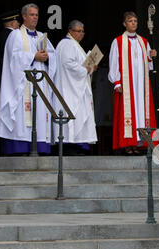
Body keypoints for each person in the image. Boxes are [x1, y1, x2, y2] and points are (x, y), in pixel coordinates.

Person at [0, 3, 56, 156]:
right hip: (23, 85)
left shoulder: (43, 37)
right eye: (31, 15)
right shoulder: (15, 35)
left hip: (40, 84)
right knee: (23, 116)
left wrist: (48, 57)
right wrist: (33, 56)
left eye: (36, 15)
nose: (34, 18)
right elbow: (13, 59)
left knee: (40, 114)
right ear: (24, 16)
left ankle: (40, 147)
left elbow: (54, 57)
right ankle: (21, 147)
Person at [108, 11, 158, 155]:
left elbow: (149, 65)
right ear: (124, 24)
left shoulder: (144, 41)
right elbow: (114, 62)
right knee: (128, 113)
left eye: (135, 21)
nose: (133, 23)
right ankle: (128, 144)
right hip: (127, 85)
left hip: (141, 85)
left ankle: (140, 143)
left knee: (142, 112)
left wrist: (151, 56)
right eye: (130, 21)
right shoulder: (117, 41)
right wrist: (116, 82)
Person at [55, 20, 98, 155]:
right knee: (72, 116)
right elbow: (68, 64)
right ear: (71, 31)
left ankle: (79, 145)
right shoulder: (66, 44)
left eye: (82, 31)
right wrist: (85, 69)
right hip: (69, 89)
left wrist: (90, 67)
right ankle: (72, 146)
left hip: (78, 87)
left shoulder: (75, 45)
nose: (81, 34)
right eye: (78, 31)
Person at [0, 10, 21, 131]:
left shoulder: (1, 36)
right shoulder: (10, 36)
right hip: (7, 78)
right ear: (13, 23)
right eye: (17, 22)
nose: (19, 25)